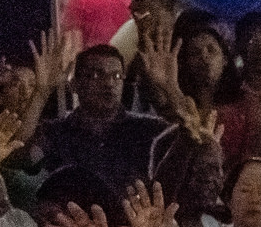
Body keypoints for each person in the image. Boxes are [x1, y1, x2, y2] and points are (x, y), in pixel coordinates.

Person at [34, 47, 169, 196]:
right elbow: (19, 159)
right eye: (96, 75)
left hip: (134, 218)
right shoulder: (55, 132)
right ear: (74, 85)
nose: (109, 84)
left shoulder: (147, 130)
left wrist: (167, 90)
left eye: (117, 76)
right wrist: (41, 93)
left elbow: (189, 136)